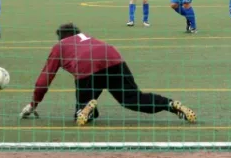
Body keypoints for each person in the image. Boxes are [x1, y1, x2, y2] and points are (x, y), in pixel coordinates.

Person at [19, 23, 197, 125]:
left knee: (80, 115)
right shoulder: (87, 37)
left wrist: (33, 104)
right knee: (133, 98)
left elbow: (44, 80)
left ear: (61, 37)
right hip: (112, 57)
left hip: (86, 67)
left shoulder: (59, 46)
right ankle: (171, 105)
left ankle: (88, 109)